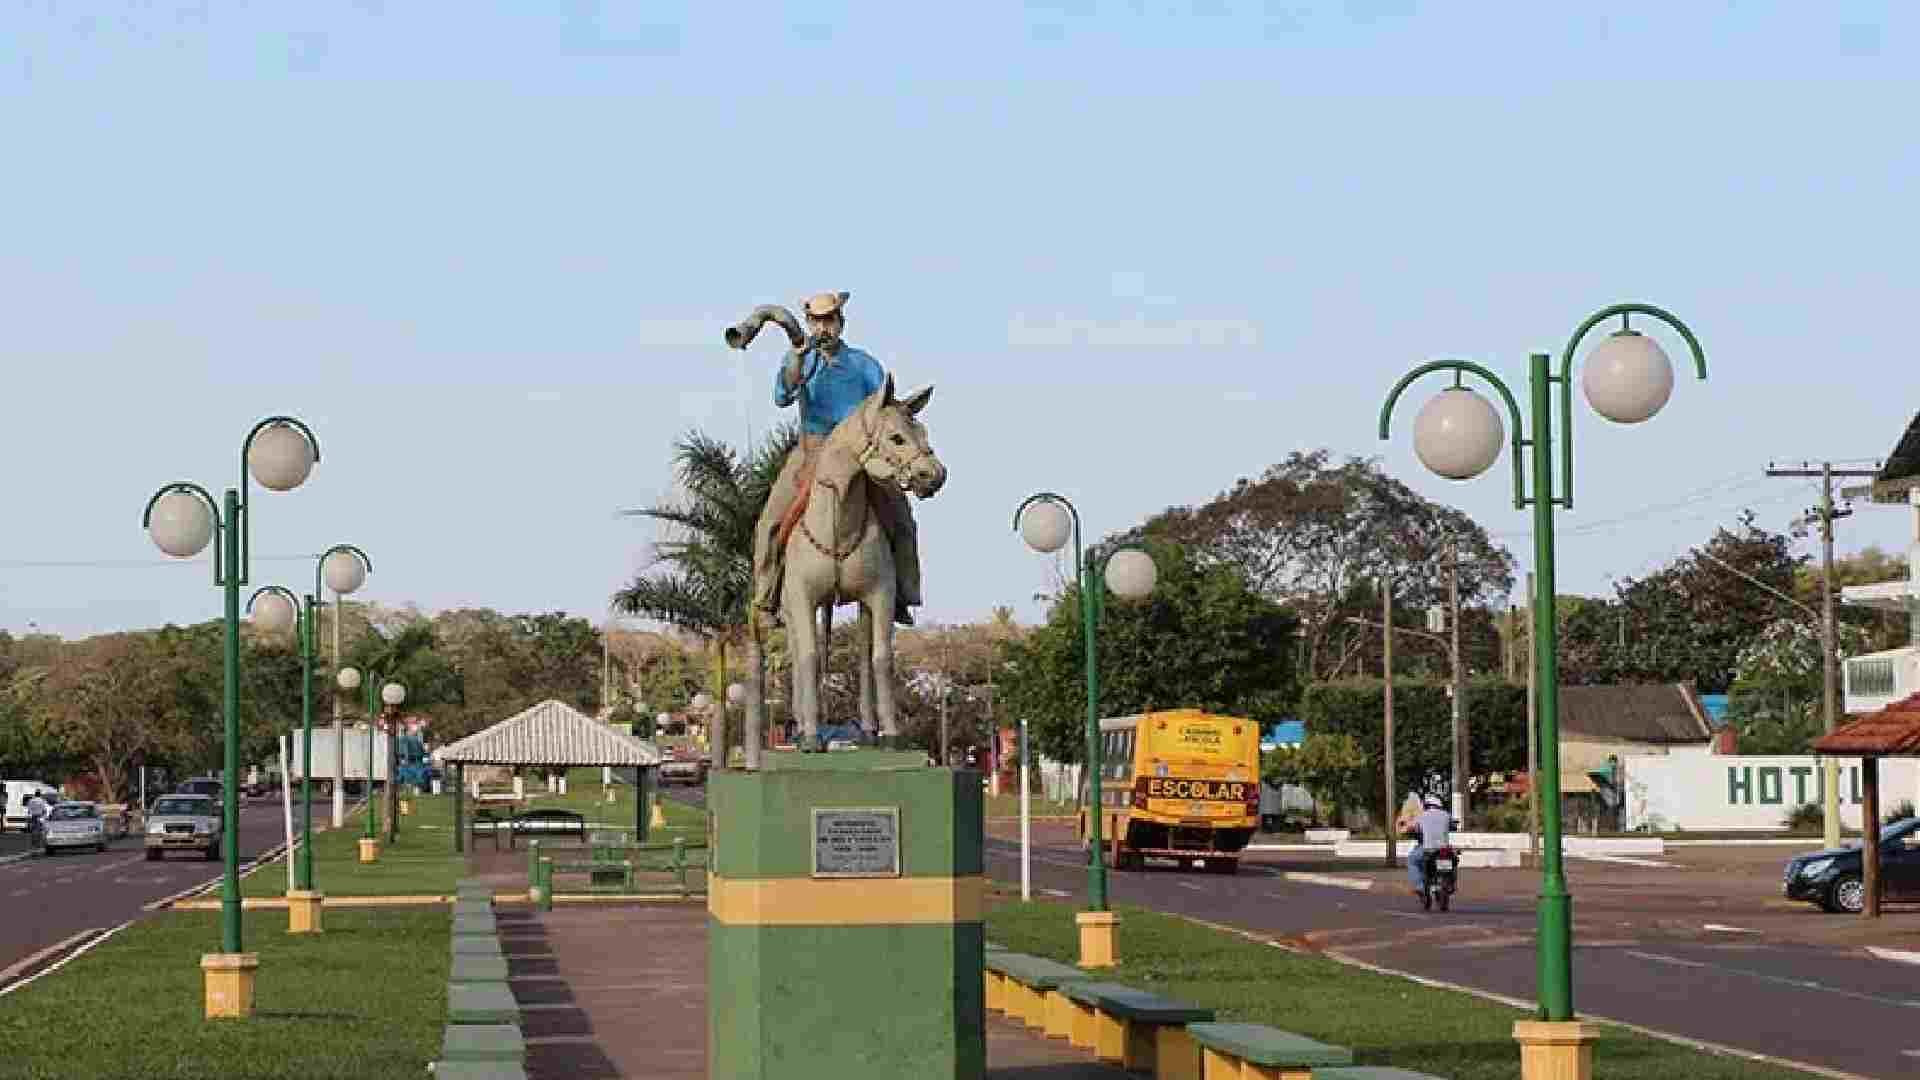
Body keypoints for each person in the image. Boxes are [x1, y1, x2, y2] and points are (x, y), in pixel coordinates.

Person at [751, 291, 923, 627]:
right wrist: (796, 361)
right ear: (809, 324)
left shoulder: (863, 364)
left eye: (829, 321)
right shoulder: (801, 358)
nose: (823, 328)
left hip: (862, 453)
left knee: (901, 516)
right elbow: (782, 396)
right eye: (816, 321)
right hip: (812, 450)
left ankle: (904, 592)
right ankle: (766, 599)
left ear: (840, 323)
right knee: (770, 523)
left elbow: (885, 408)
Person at [1402, 792, 1452, 897]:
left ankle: (1419, 887)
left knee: (1412, 859)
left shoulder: (1422, 816)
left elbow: (1414, 828)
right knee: (1452, 861)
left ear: (1427, 805)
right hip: (1444, 849)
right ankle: (1450, 882)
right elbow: (1453, 825)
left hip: (1428, 849)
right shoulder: (1447, 815)